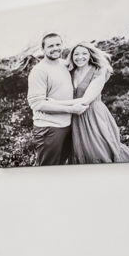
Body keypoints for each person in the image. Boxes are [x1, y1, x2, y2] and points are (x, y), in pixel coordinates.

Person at [66, 43, 129, 164]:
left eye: (84, 53)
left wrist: (55, 103)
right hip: (75, 116)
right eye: (76, 54)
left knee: (100, 149)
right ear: (72, 56)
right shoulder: (70, 71)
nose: (80, 57)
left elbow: (86, 100)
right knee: (80, 151)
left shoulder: (99, 70)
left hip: (93, 114)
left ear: (90, 55)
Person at [24, 32, 81, 165]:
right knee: (48, 168)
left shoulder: (63, 64)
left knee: (61, 165)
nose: (55, 48)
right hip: (49, 128)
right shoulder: (39, 71)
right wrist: (72, 109)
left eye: (58, 44)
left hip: (67, 125)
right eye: (50, 46)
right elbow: (37, 104)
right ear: (43, 49)